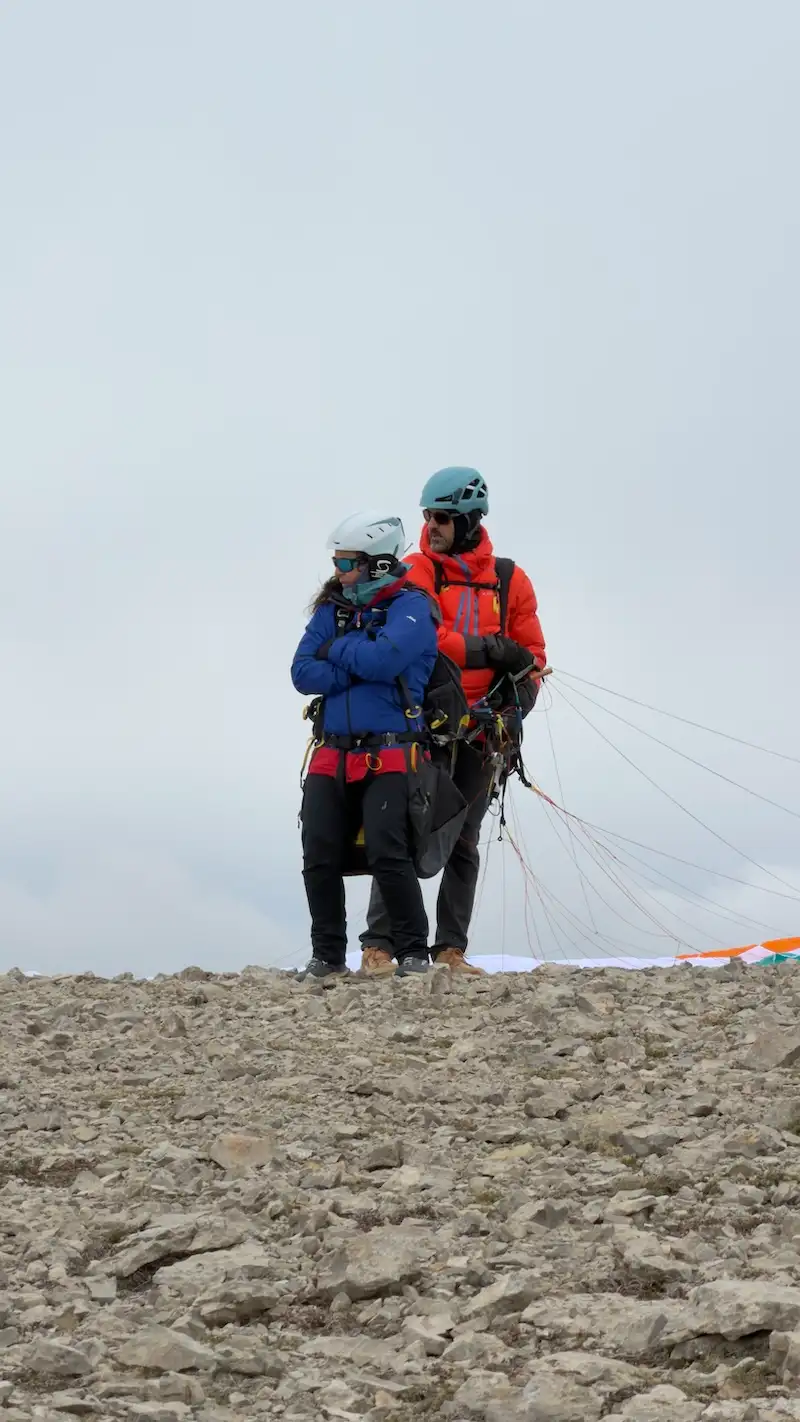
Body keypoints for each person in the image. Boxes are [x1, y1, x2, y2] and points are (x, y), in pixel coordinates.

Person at [359, 468, 546, 977]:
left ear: (469, 521)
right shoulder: (414, 571)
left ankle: (450, 949)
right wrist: (487, 649)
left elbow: (533, 658)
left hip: (485, 732)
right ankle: (379, 944)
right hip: (424, 724)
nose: (431, 525)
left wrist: (516, 706)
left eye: (441, 517)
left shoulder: (511, 580)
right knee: (401, 828)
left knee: (464, 835)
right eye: (427, 516)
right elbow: (420, 640)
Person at [291, 511, 439, 979]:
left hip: (391, 750)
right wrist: (357, 658)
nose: (338, 571)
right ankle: (328, 955)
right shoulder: (329, 610)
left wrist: (334, 651)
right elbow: (300, 672)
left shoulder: (413, 608)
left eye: (346, 562)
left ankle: (414, 951)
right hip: (332, 750)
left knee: (387, 852)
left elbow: (384, 660)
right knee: (318, 853)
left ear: (376, 564)